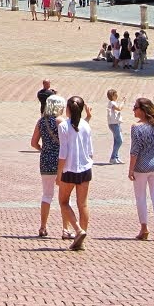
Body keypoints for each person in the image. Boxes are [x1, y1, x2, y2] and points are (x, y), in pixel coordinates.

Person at [56, 96, 93, 251]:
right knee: (82, 203)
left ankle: (78, 230)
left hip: (70, 168)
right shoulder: (86, 125)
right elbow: (91, 151)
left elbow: (63, 153)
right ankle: (82, 237)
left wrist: (59, 173)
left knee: (63, 201)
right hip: (85, 168)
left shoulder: (64, 126)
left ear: (69, 109)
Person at [30, 94, 69, 239]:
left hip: (46, 160)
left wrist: (43, 149)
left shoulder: (41, 121)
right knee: (65, 197)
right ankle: (65, 229)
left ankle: (43, 226)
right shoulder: (61, 122)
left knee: (47, 195)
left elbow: (33, 142)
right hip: (61, 161)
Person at [129, 97, 154, 241]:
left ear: (143, 110)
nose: (133, 110)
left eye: (135, 107)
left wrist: (130, 170)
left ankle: (144, 228)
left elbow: (134, 151)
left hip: (141, 167)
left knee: (141, 197)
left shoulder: (136, 127)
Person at [106, 88, 124, 164]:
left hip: (116, 123)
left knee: (116, 141)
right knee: (120, 140)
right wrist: (123, 101)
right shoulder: (112, 103)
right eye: (115, 94)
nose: (117, 95)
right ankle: (113, 157)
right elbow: (119, 108)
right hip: (113, 124)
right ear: (112, 96)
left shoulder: (113, 103)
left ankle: (116, 157)